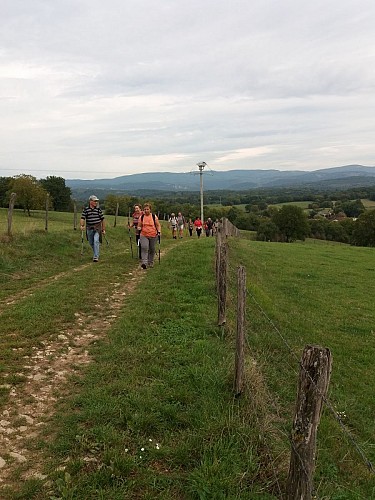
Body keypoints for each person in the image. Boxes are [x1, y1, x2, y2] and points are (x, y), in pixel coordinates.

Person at [80, 195, 106, 262]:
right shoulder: (86, 209)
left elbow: (103, 219)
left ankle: (96, 256)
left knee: (96, 241)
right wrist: (82, 225)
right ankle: (96, 253)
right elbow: (82, 218)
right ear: (90, 201)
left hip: (97, 228)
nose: (96, 202)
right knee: (91, 242)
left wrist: (103, 229)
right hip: (89, 228)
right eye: (95, 201)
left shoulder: (98, 210)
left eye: (97, 201)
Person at [137, 203, 161, 269]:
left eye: (147, 209)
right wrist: (138, 228)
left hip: (153, 235)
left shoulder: (154, 216)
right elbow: (139, 225)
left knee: (152, 249)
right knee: (144, 247)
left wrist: (159, 231)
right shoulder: (141, 217)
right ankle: (144, 263)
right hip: (144, 234)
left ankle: (151, 262)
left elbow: (158, 225)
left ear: (150, 210)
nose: (146, 210)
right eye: (145, 209)